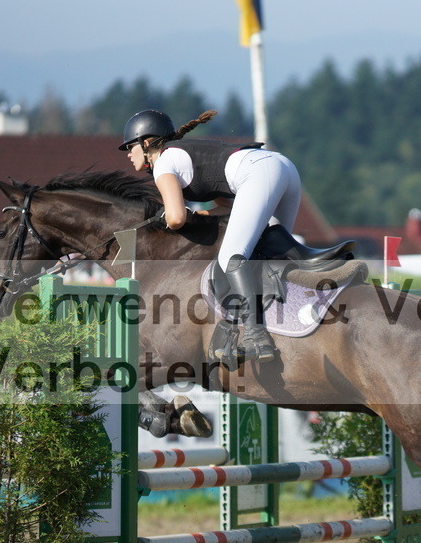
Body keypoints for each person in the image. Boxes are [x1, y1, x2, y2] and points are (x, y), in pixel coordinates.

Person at [120, 108, 346, 363]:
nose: (128, 153)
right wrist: (200, 214)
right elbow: (228, 207)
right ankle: (302, 307)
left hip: (259, 173)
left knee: (231, 258)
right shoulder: (184, 154)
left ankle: (255, 335)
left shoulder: (163, 162)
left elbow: (176, 218)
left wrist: (165, 221)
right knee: (267, 249)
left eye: (130, 146)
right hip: (282, 167)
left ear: (147, 142)